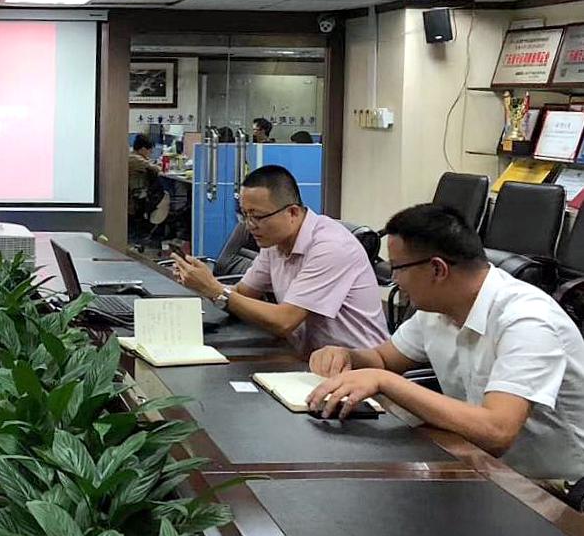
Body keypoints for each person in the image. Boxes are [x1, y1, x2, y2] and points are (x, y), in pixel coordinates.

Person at [308, 204, 584, 487]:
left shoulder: (528, 320)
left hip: (554, 490)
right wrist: (347, 356)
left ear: (437, 269)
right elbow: (383, 359)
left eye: (397, 268)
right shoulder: (438, 308)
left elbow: (497, 431)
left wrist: (385, 381)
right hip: (479, 465)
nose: (393, 280)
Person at [171, 165, 387, 353]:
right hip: (305, 356)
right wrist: (202, 284)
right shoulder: (274, 242)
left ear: (292, 212)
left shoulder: (330, 247)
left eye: (257, 216)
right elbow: (244, 293)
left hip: (357, 366)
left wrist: (215, 289)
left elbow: (284, 321)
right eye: (245, 214)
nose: (249, 225)